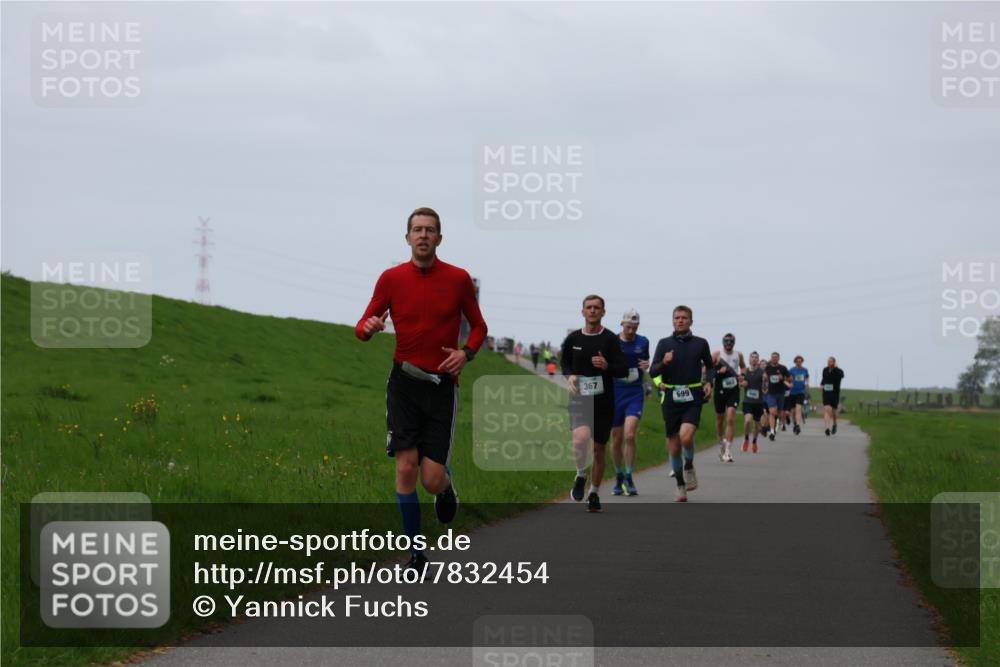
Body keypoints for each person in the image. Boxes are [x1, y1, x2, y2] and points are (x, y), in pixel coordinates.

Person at [355, 207, 487, 570]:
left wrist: (466, 353)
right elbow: (363, 324)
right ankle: (415, 553)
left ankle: (445, 486)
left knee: (430, 479)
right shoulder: (391, 278)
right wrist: (368, 328)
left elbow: (478, 327)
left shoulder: (458, 279)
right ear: (408, 237)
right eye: (417, 230)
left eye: (430, 230)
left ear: (439, 238)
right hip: (404, 384)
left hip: (443, 387)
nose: (424, 235)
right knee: (405, 467)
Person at [562, 295, 628, 512]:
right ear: (582, 312)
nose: (592, 311)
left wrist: (608, 365)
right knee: (580, 440)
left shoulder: (610, 339)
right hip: (580, 398)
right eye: (588, 307)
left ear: (603, 312)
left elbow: (623, 370)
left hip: (603, 401)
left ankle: (594, 492)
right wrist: (570, 375)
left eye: (596, 308)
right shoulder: (573, 339)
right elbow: (564, 363)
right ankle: (581, 474)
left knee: (599, 449)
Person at [649, 306, 714, 502]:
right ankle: (680, 484)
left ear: (691, 321)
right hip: (670, 397)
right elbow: (653, 372)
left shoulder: (700, 343)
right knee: (674, 447)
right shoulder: (663, 343)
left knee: (686, 436)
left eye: (684, 318)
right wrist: (665, 363)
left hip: (693, 396)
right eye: (677, 318)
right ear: (672, 321)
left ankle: (689, 466)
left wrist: (709, 382)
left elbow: (710, 366)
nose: (680, 321)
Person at [610, 309, 650, 496]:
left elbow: (645, 360)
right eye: (628, 327)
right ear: (622, 325)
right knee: (616, 439)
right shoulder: (612, 342)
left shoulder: (643, 341)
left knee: (630, 435)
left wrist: (646, 365)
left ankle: (629, 476)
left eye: (634, 327)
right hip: (615, 392)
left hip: (634, 392)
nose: (631, 331)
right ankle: (618, 475)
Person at [711, 333, 746, 462]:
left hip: (733, 389)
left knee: (730, 417)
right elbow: (707, 370)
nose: (728, 345)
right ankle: (721, 442)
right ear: (723, 342)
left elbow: (743, 367)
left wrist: (742, 376)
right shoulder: (716, 354)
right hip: (720, 388)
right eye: (726, 342)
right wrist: (718, 372)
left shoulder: (739, 354)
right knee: (720, 419)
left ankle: (728, 450)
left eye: (731, 342)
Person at [740, 351, 768, 453]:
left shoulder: (762, 373)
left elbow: (765, 390)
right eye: (752, 357)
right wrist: (743, 383)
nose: (754, 359)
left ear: (758, 360)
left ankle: (754, 441)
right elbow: (740, 383)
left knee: (757, 425)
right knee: (747, 421)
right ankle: (746, 439)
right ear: (749, 359)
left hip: (758, 403)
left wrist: (764, 381)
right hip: (748, 402)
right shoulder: (745, 371)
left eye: (756, 357)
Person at [763, 352, 791, 442]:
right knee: (772, 412)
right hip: (771, 393)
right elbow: (764, 377)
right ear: (771, 358)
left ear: (778, 358)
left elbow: (790, 379)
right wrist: (765, 378)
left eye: (776, 357)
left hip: (780, 393)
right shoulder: (768, 367)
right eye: (772, 357)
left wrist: (783, 378)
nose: (774, 359)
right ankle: (772, 432)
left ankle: (775, 425)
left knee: (778, 413)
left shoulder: (783, 368)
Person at [821, 356, 845, 436]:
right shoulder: (825, 369)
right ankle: (827, 428)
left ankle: (835, 423)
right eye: (828, 361)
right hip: (826, 393)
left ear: (834, 362)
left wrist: (836, 368)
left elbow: (842, 376)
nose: (829, 362)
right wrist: (821, 385)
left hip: (834, 394)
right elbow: (824, 379)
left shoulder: (838, 371)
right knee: (827, 409)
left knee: (834, 412)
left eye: (830, 361)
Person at [787, 355, 809, 435]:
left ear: (802, 362)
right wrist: (790, 382)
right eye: (797, 361)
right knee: (793, 412)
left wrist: (806, 385)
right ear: (795, 362)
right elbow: (788, 379)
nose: (799, 363)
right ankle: (795, 424)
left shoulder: (805, 370)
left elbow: (806, 379)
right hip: (792, 392)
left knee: (798, 409)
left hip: (801, 392)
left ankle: (798, 425)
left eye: (800, 361)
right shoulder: (791, 370)